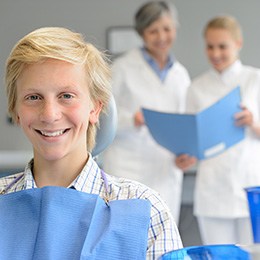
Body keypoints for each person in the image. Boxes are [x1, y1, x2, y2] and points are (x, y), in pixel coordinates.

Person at [0, 27, 183, 259]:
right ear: (16, 111)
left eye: (66, 96)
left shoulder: (146, 210)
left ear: (95, 107)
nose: (49, 114)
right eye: (33, 97)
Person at [102, 0, 191, 225]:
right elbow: (102, 116)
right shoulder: (122, 68)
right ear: (142, 33)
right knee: (127, 235)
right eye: (153, 31)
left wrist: (186, 153)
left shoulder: (181, 75)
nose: (161, 36)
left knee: (163, 238)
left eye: (167, 29)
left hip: (166, 168)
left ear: (176, 29)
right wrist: (132, 119)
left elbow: (185, 124)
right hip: (128, 166)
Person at [177, 15, 260, 245]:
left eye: (222, 46)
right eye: (210, 46)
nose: (215, 53)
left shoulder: (255, 79)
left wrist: (253, 122)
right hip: (212, 190)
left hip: (250, 186)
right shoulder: (196, 88)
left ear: (238, 44)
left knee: (253, 254)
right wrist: (186, 157)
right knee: (216, 254)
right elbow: (192, 140)